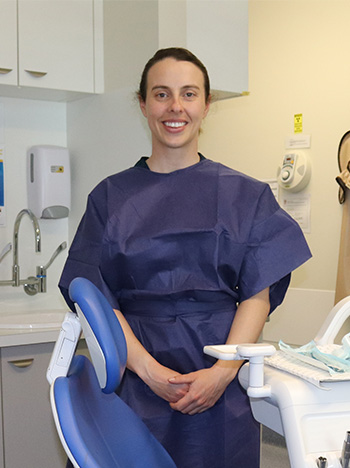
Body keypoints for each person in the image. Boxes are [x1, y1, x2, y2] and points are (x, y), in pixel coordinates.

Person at [59, 47, 311, 468]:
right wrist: (149, 371)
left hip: (220, 374)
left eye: (189, 94)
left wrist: (223, 372)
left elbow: (256, 296)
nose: (175, 107)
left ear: (206, 105)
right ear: (142, 104)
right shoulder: (110, 197)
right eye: (161, 94)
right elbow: (98, 298)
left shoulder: (246, 195)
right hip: (134, 376)